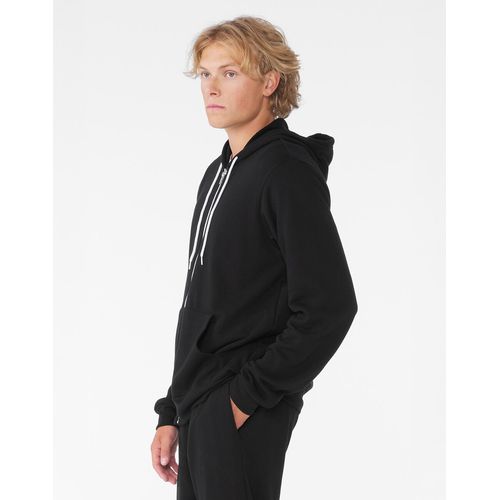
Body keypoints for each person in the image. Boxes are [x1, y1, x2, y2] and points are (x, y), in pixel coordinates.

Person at [150, 15, 358, 500]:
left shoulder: (286, 172)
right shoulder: (219, 172)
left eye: (230, 73)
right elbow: (202, 304)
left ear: (270, 82)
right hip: (200, 406)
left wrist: (245, 398)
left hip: (239, 408)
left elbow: (329, 307)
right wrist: (172, 410)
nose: (211, 87)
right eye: (205, 74)